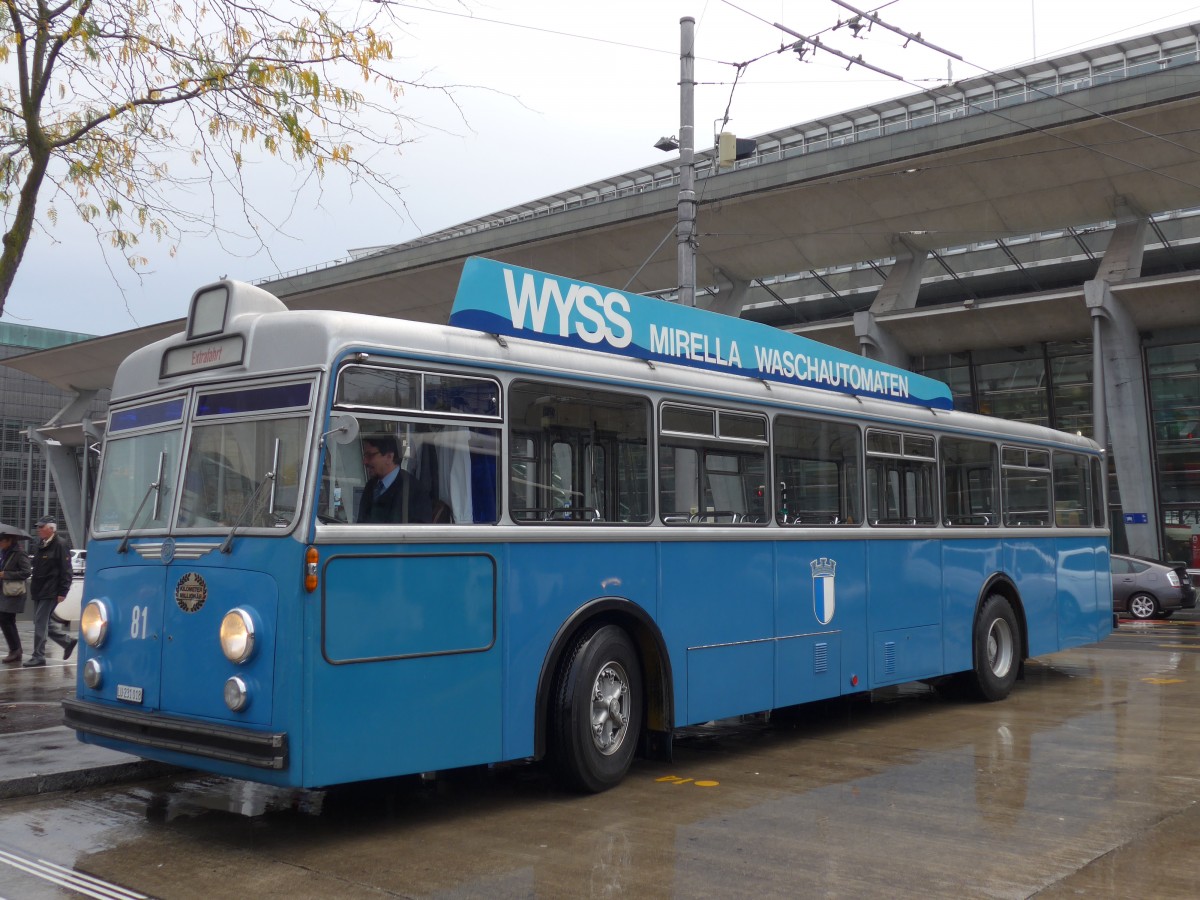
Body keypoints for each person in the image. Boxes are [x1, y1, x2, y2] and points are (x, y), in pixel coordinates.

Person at [23, 516, 76, 667]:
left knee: (40, 622)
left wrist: (63, 591)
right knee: (43, 622)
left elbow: (67, 570)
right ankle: (67, 642)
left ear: (51, 529)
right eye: (38, 527)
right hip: (39, 589)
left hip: (51, 590)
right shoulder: (41, 544)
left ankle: (38, 656)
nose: (38, 529)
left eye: (41, 527)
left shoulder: (60, 544)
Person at [356, 435, 432, 524]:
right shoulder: (371, 486)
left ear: (389, 457)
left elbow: (419, 533)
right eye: (365, 456)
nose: (365, 462)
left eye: (370, 455)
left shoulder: (415, 491)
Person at [0, 532, 31, 663]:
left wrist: (6, 574)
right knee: (7, 621)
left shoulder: (19, 553)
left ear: (9, 541)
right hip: (4, 592)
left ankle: (15, 650)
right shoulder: (4, 553)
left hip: (13, 593)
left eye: (2, 541)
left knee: (6, 619)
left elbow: (26, 572)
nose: (0, 544)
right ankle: (15, 650)